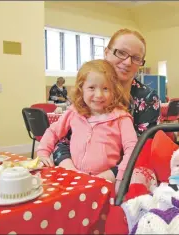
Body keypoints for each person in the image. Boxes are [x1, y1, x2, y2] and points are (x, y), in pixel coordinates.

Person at [44, 28, 161, 178]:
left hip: (122, 178)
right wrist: (72, 171)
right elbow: (61, 138)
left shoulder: (148, 98)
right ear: (106, 52)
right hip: (73, 173)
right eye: (121, 53)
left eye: (136, 58)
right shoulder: (87, 93)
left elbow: (140, 150)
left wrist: (105, 178)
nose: (127, 62)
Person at [37, 59, 138, 189]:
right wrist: (43, 152)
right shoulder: (74, 112)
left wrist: (120, 176)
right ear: (81, 89)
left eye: (106, 88)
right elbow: (53, 131)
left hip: (106, 182)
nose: (99, 95)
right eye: (91, 88)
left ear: (114, 90)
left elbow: (132, 149)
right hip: (74, 180)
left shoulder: (122, 118)